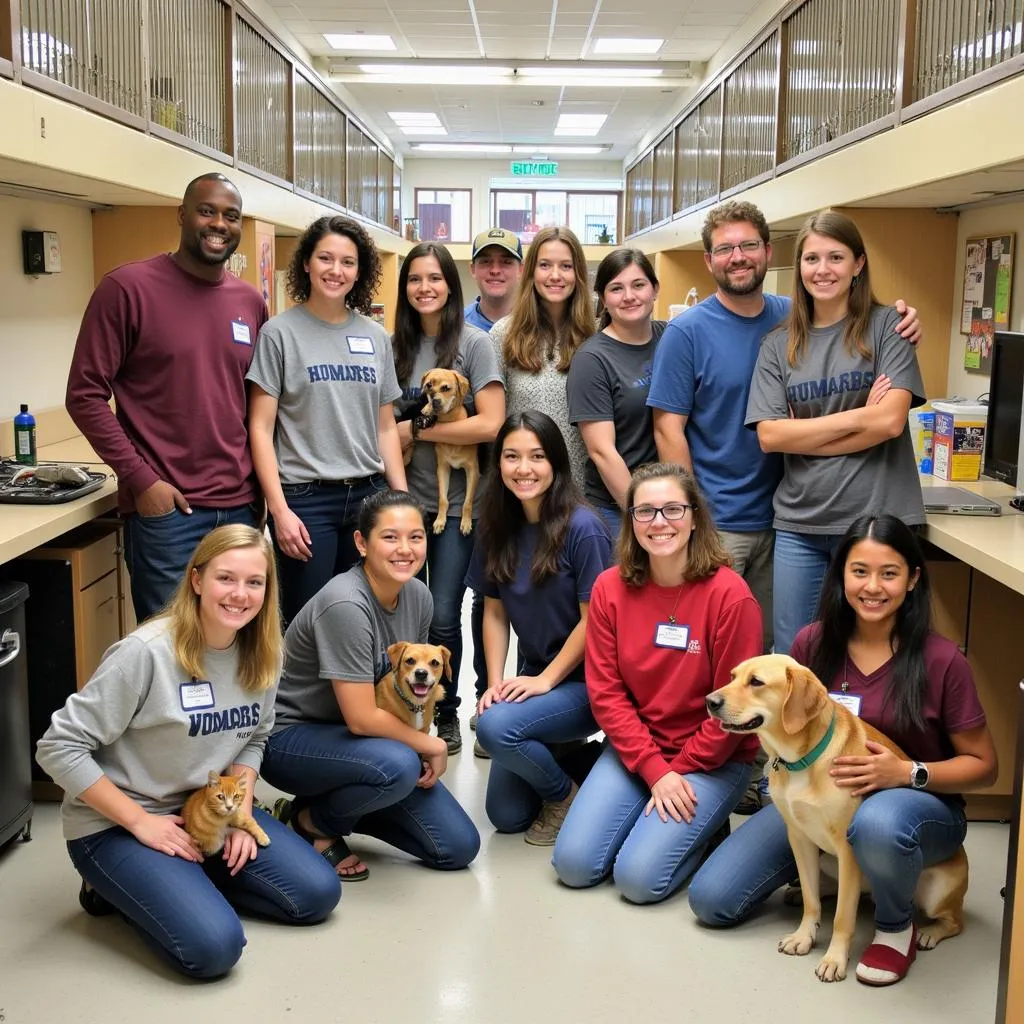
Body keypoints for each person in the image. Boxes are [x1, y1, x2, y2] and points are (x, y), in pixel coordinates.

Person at [647, 199, 921, 815]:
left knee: (801, 663)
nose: (736, 257)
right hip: (735, 520)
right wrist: (864, 421)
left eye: (748, 246)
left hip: (804, 517)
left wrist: (841, 424)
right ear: (711, 257)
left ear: (769, 256)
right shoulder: (717, 333)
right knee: (733, 658)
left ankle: (856, 780)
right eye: (723, 248)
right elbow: (733, 433)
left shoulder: (837, 322)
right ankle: (715, 774)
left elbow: (889, 420)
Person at [688, 515, 997, 987]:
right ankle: (828, 895)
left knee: (873, 824)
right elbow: (786, 713)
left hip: (919, 808)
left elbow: (984, 768)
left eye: (889, 573)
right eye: (859, 571)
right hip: (815, 787)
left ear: (913, 579)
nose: (872, 587)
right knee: (713, 899)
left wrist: (906, 772)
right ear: (841, 577)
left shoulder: (941, 660)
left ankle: (895, 928)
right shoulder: (813, 644)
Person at [35, 525, 340, 979]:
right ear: (197, 580)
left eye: (254, 582)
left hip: (207, 812)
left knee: (317, 894)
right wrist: (140, 822)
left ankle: (177, 882)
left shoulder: (264, 653)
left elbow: (256, 737)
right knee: (214, 949)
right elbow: (57, 747)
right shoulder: (146, 653)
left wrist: (239, 818)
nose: (240, 595)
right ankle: (112, 885)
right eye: (225, 578)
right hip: (118, 824)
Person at [551, 463, 763, 904]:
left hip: (713, 758)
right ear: (630, 521)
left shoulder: (731, 596)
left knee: (638, 881)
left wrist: (675, 772)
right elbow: (606, 694)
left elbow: (735, 709)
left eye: (672, 509)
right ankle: (661, 825)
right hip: (638, 749)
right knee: (574, 865)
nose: (659, 522)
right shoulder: (609, 589)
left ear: (694, 517)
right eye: (644, 512)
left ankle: (702, 833)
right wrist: (653, 769)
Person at [66, 173, 267, 622]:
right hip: (168, 512)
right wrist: (142, 481)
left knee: (234, 643)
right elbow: (84, 394)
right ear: (181, 215)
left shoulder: (249, 301)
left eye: (231, 216)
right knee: (168, 649)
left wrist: (263, 494)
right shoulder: (127, 289)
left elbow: (258, 404)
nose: (219, 224)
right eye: (207, 210)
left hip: (240, 506)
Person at [260, 488, 481, 879]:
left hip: (353, 741)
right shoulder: (346, 604)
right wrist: (430, 743)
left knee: (457, 846)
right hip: (292, 738)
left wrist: (420, 735)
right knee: (398, 764)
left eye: (416, 537)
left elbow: (405, 692)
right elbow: (362, 718)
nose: (405, 549)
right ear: (361, 543)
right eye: (390, 537)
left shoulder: (418, 596)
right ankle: (311, 821)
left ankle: (343, 803)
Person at [745, 209, 927, 657]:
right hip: (800, 523)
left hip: (876, 520)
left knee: (877, 655)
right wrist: (859, 415)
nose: (822, 270)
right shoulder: (777, 344)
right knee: (795, 657)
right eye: (811, 259)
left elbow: (889, 422)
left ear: (858, 264)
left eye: (836, 257)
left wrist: (804, 430)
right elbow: (770, 437)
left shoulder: (890, 326)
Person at [247, 215, 407, 626]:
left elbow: (386, 426)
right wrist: (279, 511)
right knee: (307, 624)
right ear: (306, 263)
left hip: (369, 497)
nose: (336, 271)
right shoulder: (279, 334)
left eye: (348, 262)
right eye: (326, 258)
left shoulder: (374, 337)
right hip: (305, 502)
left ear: (360, 271)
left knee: (363, 620)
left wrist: (401, 500)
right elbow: (261, 429)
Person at [468, 411, 612, 844]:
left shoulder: (584, 529)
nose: (523, 469)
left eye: (537, 456)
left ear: (556, 464)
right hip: (536, 676)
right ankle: (576, 759)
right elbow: (493, 611)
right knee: (507, 816)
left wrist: (546, 680)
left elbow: (595, 623)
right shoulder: (496, 525)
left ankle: (563, 793)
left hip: (589, 683)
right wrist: (493, 684)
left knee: (495, 730)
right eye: (511, 457)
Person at [391, 243, 506, 755]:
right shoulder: (392, 345)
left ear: (452, 286)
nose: (425, 288)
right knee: (402, 617)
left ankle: (447, 712)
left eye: (435, 278)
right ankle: (400, 710)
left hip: (461, 507)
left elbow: (490, 423)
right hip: (404, 503)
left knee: (442, 614)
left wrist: (419, 428)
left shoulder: (476, 344)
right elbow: (380, 427)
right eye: (414, 279)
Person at [462, 227, 524, 752]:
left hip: (530, 479)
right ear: (475, 268)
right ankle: (487, 702)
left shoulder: (528, 324)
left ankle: (525, 711)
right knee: (488, 597)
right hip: (476, 488)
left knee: (540, 600)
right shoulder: (459, 330)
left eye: (507, 260)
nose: (497, 269)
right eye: (488, 260)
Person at [567, 248, 667, 537]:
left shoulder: (672, 337)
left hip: (670, 499)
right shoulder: (592, 359)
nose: (629, 296)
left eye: (638, 285)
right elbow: (602, 452)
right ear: (603, 298)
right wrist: (643, 514)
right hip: (618, 507)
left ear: (655, 289)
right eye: (616, 288)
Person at [489, 225, 595, 488]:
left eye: (566, 266)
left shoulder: (596, 336)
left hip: (580, 490)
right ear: (530, 272)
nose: (555, 276)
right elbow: (493, 424)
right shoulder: (504, 333)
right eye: (545, 265)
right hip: (520, 487)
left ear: (578, 273)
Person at [464, 227, 524, 331]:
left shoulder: (537, 325)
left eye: (506, 262)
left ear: (521, 270)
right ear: (473, 269)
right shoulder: (456, 326)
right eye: (486, 261)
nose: (495, 270)